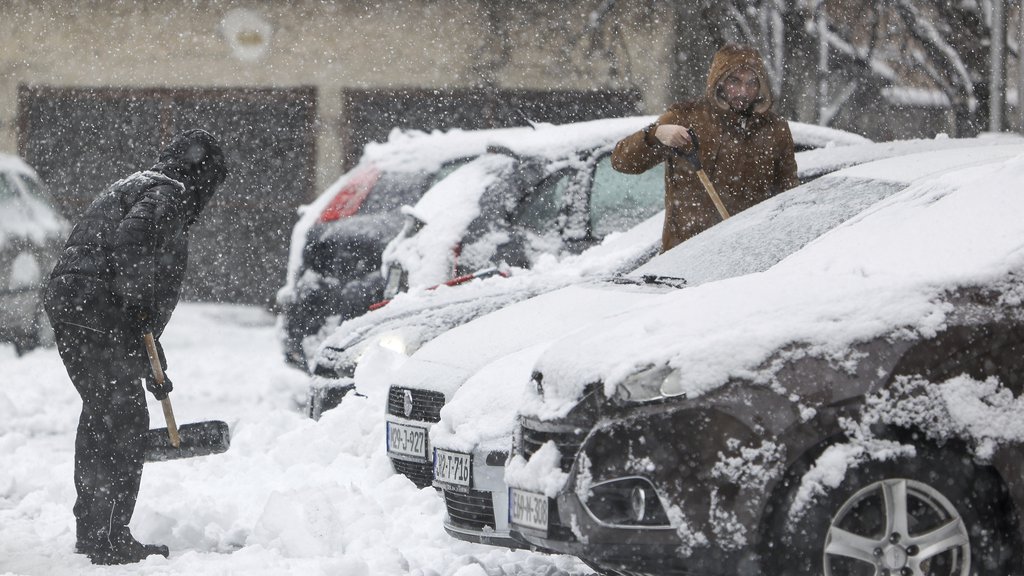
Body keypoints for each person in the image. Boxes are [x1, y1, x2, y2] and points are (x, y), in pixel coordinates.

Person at [44, 129, 227, 564]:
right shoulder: (169, 194)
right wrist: (139, 303)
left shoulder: (135, 184)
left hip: (74, 307)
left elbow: (123, 273)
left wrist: (151, 360)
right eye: (213, 184)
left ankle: (94, 531)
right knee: (123, 419)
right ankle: (108, 537)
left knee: (102, 413)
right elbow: (131, 246)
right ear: (201, 175)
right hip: (96, 310)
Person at [612, 43, 799, 252]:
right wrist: (655, 135)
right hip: (685, 256)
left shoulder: (774, 129)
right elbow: (622, 161)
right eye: (734, 81)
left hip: (747, 256)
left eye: (752, 83)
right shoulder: (686, 118)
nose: (743, 91)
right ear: (718, 82)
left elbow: (788, 196)